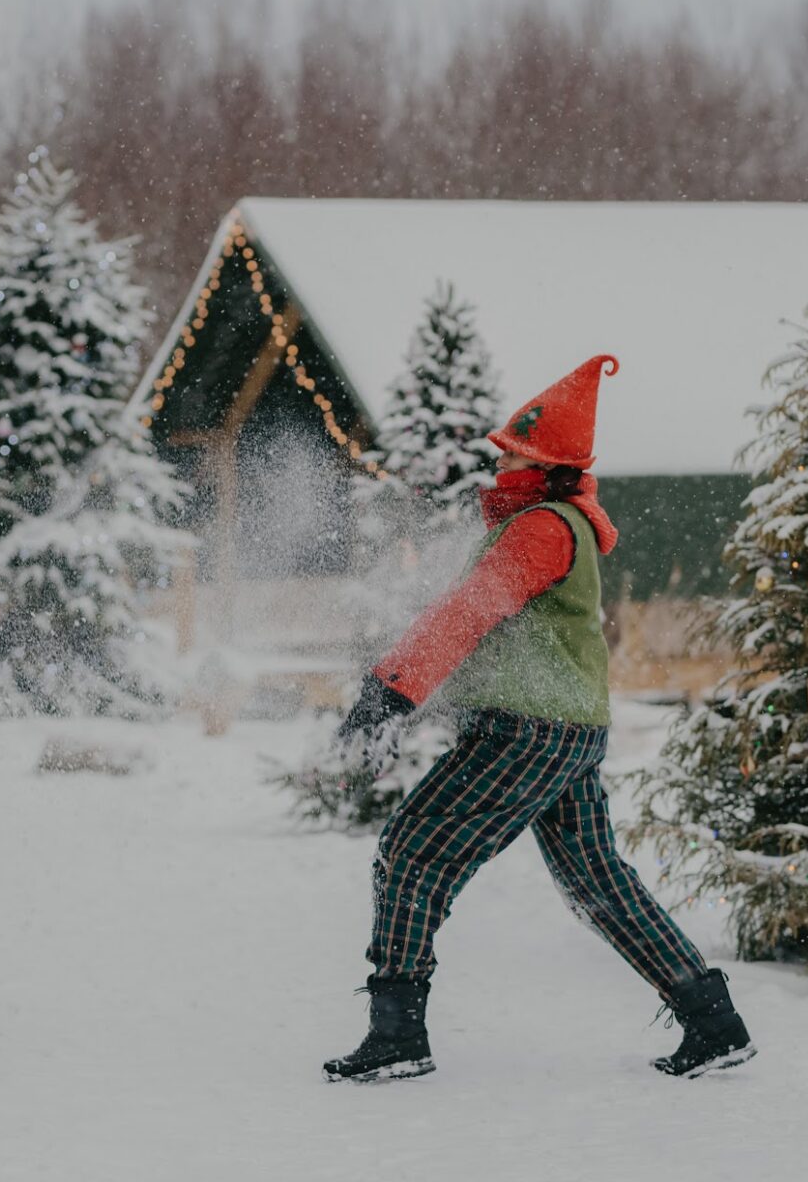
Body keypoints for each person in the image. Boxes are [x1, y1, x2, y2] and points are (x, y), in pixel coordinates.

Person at [323, 354, 754, 1083]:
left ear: (547, 462)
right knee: (597, 882)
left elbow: (469, 611)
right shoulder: (554, 525)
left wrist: (391, 689)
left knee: (411, 856)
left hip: (526, 728)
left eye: (516, 451)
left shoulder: (542, 528)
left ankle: (397, 1036)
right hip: (570, 729)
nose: (502, 461)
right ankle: (713, 1022)